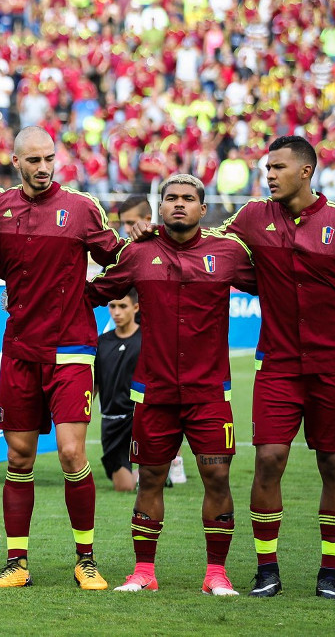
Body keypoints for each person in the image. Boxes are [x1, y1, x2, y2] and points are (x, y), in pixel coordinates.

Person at [214, 136, 335, 600]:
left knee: (334, 463)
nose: (268, 174)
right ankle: (266, 569)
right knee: (268, 460)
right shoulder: (251, 217)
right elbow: (211, 249)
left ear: (305, 171)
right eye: (266, 167)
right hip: (278, 366)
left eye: (278, 167)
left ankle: (330, 572)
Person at [0, 126, 123, 590]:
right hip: (19, 348)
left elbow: (119, 258)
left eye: (49, 158)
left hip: (71, 346)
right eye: (32, 160)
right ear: (16, 162)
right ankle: (16, 564)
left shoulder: (80, 208)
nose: (42, 167)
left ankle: (86, 559)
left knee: (72, 453)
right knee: (19, 456)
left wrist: (91, 294)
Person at [87, 174, 257, 596]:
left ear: (203, 209)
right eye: (170, 198)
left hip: (209, 394)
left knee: (217, 476)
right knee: (151, 478)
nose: (179, 204)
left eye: (188, 198)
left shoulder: (228, 253)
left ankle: (216, 573)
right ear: (158, 209)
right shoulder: (138, 252)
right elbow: (92, 292)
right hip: (154, 392)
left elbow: (281, 286)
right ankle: (143, 571)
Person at [116, 195, 187, 487]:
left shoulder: (168, 245)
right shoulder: (127, 250)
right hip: (134, 332)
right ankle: (141, 460)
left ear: (149, 220)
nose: (127, 229)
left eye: (133, 223)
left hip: (164, 336)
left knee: (171, 399)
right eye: (124, 224)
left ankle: (175, 459)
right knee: (135, 399)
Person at [95, 291, 141, 493]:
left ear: (136, 308)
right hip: (112, 421)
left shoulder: (147, 340)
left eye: (123, 306)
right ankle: (141, 475)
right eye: (112, 306)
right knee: (124, 487)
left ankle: (158, 470)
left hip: (140, 418)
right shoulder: (101, 342)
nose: (116, 312)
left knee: (153, 476)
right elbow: (94, 383)